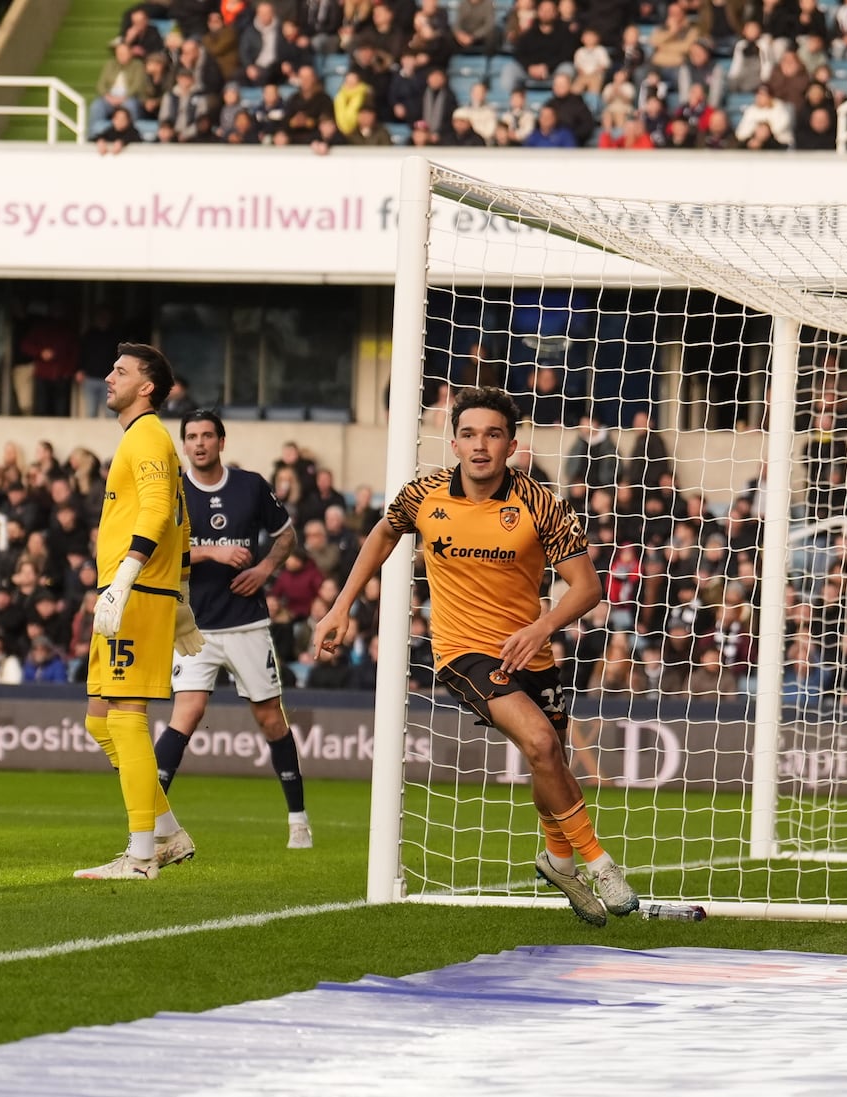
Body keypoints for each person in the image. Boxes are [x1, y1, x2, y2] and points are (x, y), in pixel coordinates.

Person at [311, 386, 639, 926]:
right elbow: (381, 533)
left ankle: (557, 860)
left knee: (550, 758)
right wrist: (340, 607)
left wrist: (542, 627)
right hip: (462, 652)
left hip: (530, 650)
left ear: (511, 444)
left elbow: (586, 588)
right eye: (468, 434)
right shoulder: (424, 495)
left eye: (492, 434)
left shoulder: (541, 503)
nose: (479, 445)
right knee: (538, 741)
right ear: (454, 442)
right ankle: (598, 863)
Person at [77, 343, 205, 881]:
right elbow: (185, 525)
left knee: (126, 718)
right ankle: (168, 833)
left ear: (147, 386)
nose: (109, 377)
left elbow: (158, 512)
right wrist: (182, 604)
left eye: (121, 371)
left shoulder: (149, 436)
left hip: (134, 594)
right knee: (99, 720)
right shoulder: (140, 439)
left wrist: (127, 579)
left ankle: (140, 855)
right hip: (135, 594)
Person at [156, 411, 311, 848]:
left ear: (222, 441)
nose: (199, 443)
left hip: (247, 623)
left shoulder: (250, 485)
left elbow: (286, 537)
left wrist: (263, 569)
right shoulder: (174, 492)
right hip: (194, 624)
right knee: (186, 714)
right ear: (183, 445)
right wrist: (211, 553)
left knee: (270, 719)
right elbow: (164, 555)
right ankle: (148, 821)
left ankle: (298, 819)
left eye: (207, 435)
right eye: (191, 437)